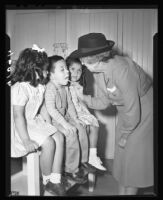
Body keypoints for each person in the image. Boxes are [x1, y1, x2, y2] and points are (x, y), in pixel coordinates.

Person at [70, 33, 153, 195]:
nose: (81, 63)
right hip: (127, 112)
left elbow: (133, 106)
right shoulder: (97, 71)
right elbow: (103, 101)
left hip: (144, 110)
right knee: (123, 157)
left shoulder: (121, 68)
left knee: (133, 157)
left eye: (84, 59)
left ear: (97, 57)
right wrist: (83, 97)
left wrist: (126, 133)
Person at [10, 45, 67, 196]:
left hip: (33, 121)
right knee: (48, 142)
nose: (47, 72)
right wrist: (26, 140)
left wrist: (48, 124)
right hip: (20, 127)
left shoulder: (39, 86)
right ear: (31, 69)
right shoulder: (20, 88)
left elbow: (41, 108)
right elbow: (18, 116)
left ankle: (56, 178)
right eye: (44, 69)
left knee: (59, 137)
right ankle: (47, 180)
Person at [44, 55, 93, 184]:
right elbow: (51, 110)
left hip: (65, 117)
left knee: (81, 128)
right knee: (71, 133)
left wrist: (76, 119)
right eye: (62, 69)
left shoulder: (65, 87)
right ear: (51, 74)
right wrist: (66, 124)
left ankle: (82, 161)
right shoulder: (50, 88)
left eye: (66, 69)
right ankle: (71, 169)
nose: (67, 72)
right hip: (55, 121)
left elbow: (70, 104)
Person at [66, 56, 106, 171]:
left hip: (79, 111)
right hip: (70, 114)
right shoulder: (64, 85)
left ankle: (92, 156)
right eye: (72, 69)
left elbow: (81, 102)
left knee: (95, 124)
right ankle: (84, 158)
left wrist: (89, 114)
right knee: (87, 128)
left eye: (79, 70)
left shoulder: (78, 85)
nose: (76, 73)